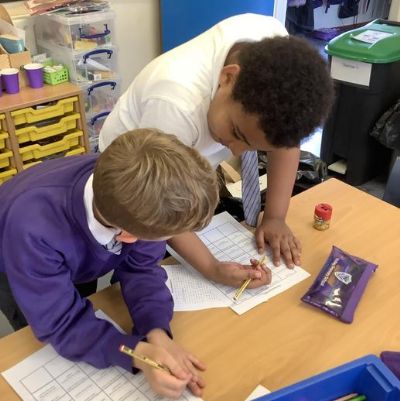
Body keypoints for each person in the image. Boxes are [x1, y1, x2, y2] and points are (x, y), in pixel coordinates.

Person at [0, 129, 263, 399]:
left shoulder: (131, 195)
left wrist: (156, 333)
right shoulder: (32, 230)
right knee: (33, 336)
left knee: (81, 296)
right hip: (11, 262)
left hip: (67, 248)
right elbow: (60, 323)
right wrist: (135, 354)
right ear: (128, 236)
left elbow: (143, 270)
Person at [99, 13, 334, 288]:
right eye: (237, 133)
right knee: (138, 258)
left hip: (180, 160)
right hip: (132, 175)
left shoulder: (275, 52)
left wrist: (275, 217)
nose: (237, 151)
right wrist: (212, 268)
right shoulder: (175, 106)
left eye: (255, 146)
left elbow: (285, 143)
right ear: (228, 77)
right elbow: (159, 200)